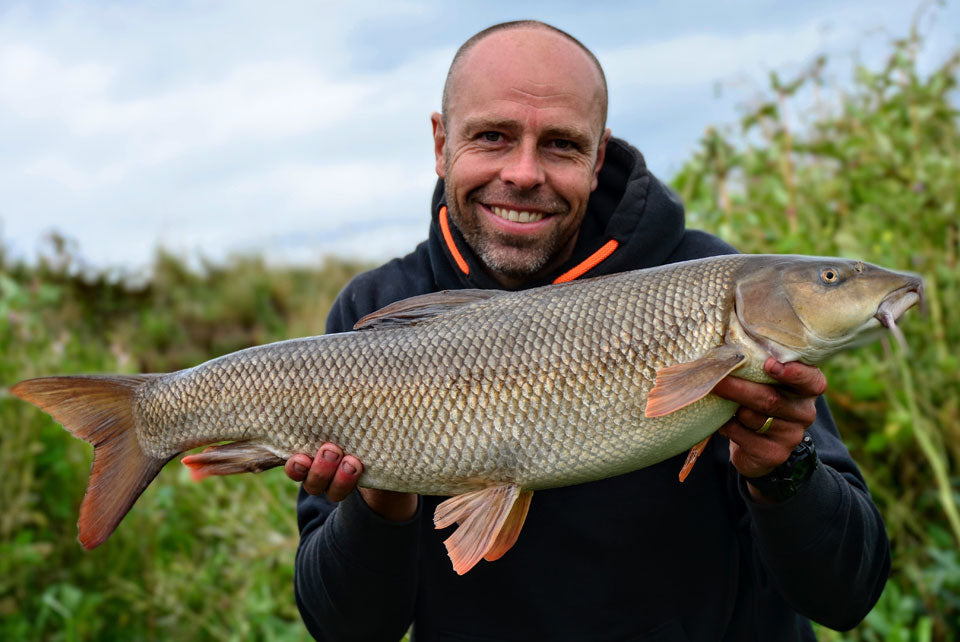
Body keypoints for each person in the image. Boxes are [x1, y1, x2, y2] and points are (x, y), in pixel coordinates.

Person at [285, 20, 890, 642]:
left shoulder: (715, 294)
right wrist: (381, 501)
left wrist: (782, 471)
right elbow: (346, 630)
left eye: (560, 145)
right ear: (442, 143)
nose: (523, 173)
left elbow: (847, 596)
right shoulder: (374, 311)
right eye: (492, 136)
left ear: (598, 157)